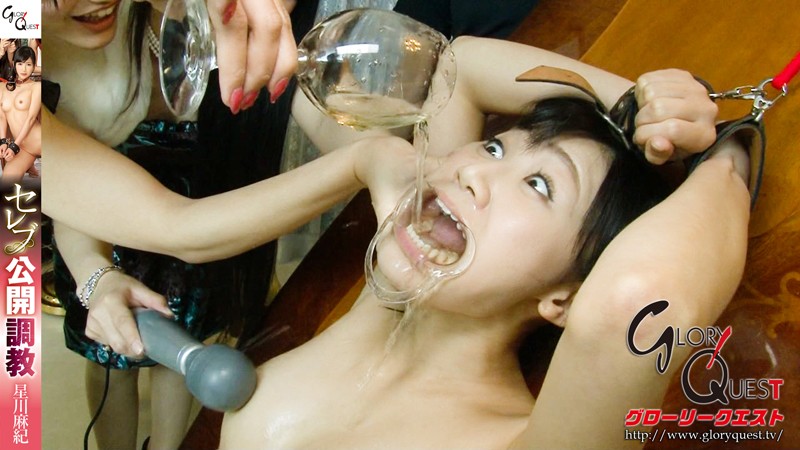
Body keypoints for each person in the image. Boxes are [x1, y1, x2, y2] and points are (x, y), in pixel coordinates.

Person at [218, 37, 751, 448]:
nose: (472, 169)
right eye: (495, 148)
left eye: (539, 185)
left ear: (566, 297)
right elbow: (462, 65)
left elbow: (634, 305)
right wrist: (640, 110)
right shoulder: (388, 298)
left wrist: (724, 153)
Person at [43, 0, 309, 448]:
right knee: (108, 359)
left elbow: (64, 179)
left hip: (178, 218)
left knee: (179, 344)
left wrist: (96, 276)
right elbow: (63, 183)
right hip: (126, 224)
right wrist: (94, 273)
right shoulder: (35, 72)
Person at [0, 46, 41, 182]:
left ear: (33, 66)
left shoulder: (36, 87)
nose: (24, 69)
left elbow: (31, 118)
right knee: (7, 184)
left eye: (28, 64)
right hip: (23, 148)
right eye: (20, 64)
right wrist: (3, 141)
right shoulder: (3, 88)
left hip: (40, 141)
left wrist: (14, 146)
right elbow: (2, 116)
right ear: (14, 64)